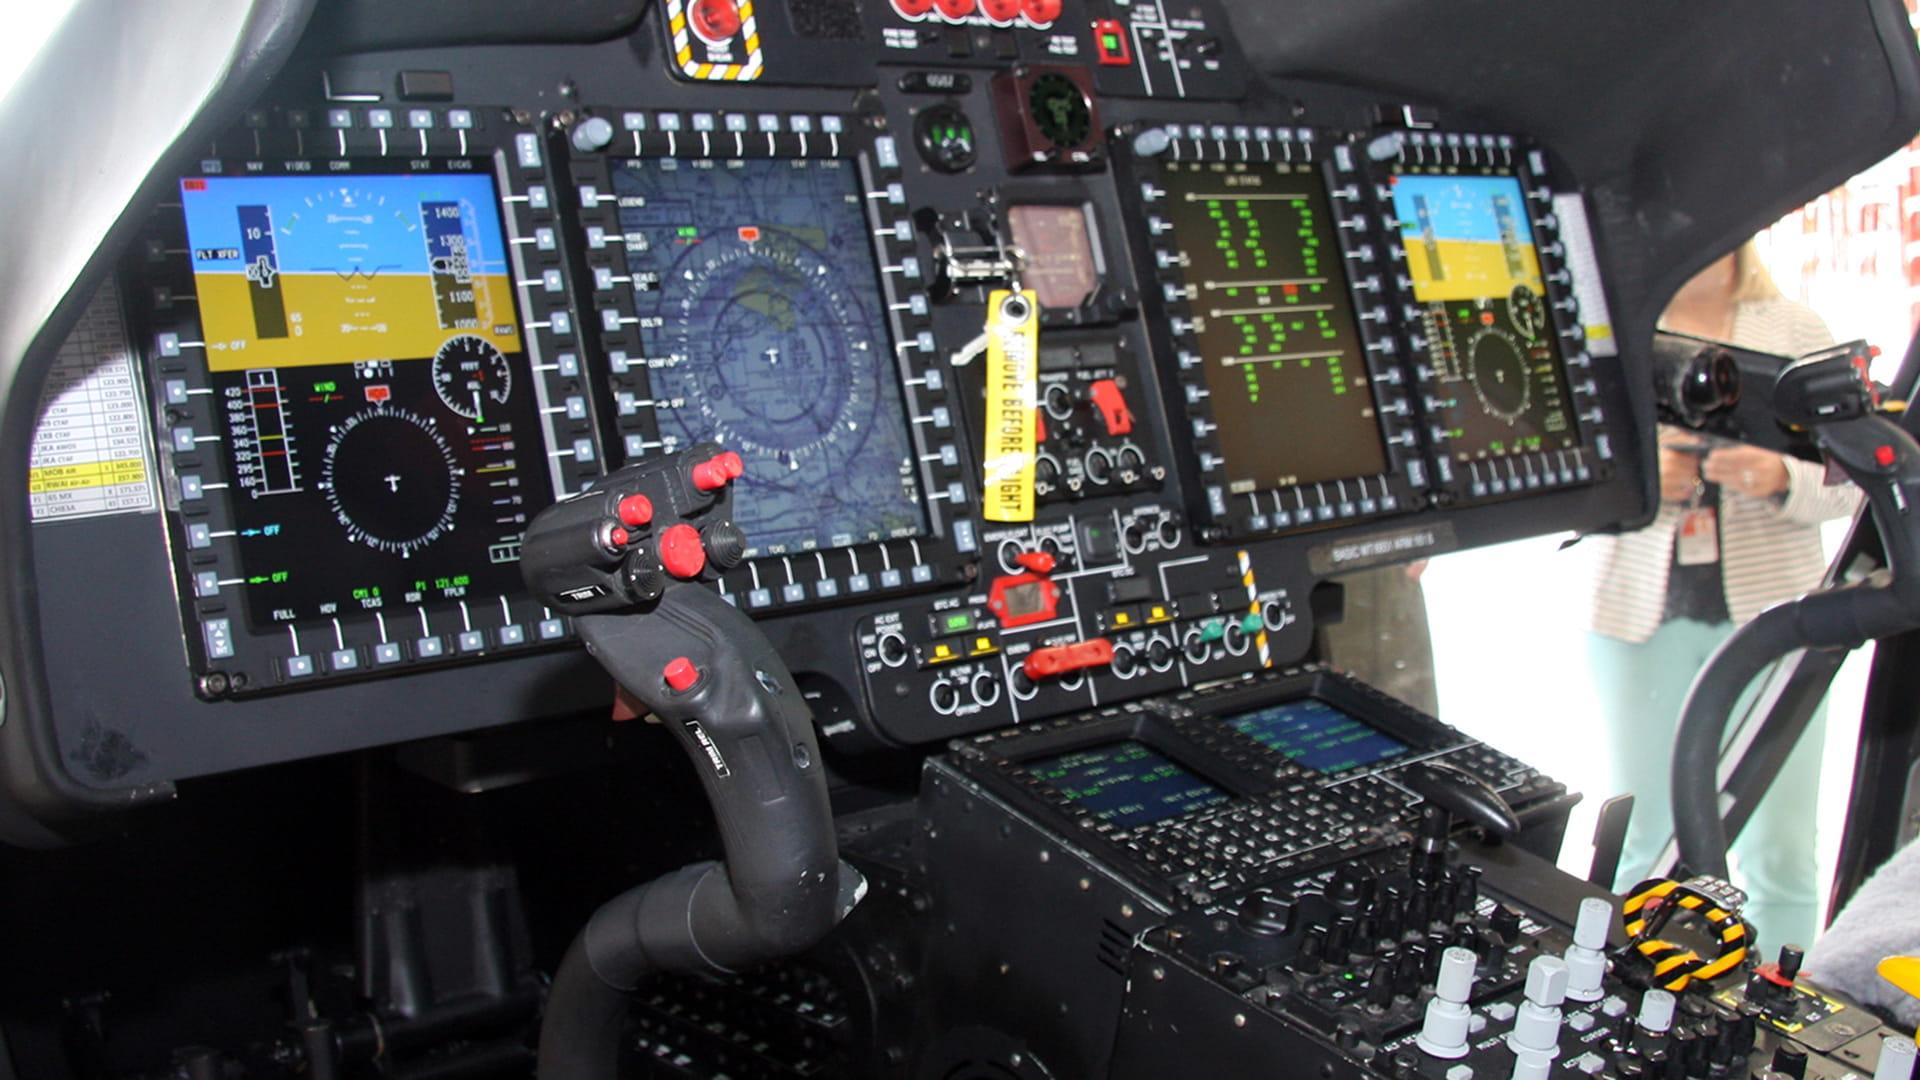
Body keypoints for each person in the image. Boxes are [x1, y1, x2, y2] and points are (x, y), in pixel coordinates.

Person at [1585, 241, 1859, 951]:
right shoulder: (1615, 337)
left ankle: (1776, 1004)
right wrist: (1644, 483)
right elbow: (1564, 478)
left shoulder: (1796, 330)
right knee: (1649, 844)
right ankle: (1643, 998)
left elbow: (1857, 480)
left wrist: (1781, 477)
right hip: (1636, 623)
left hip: (1778, 622)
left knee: (1782, 850)